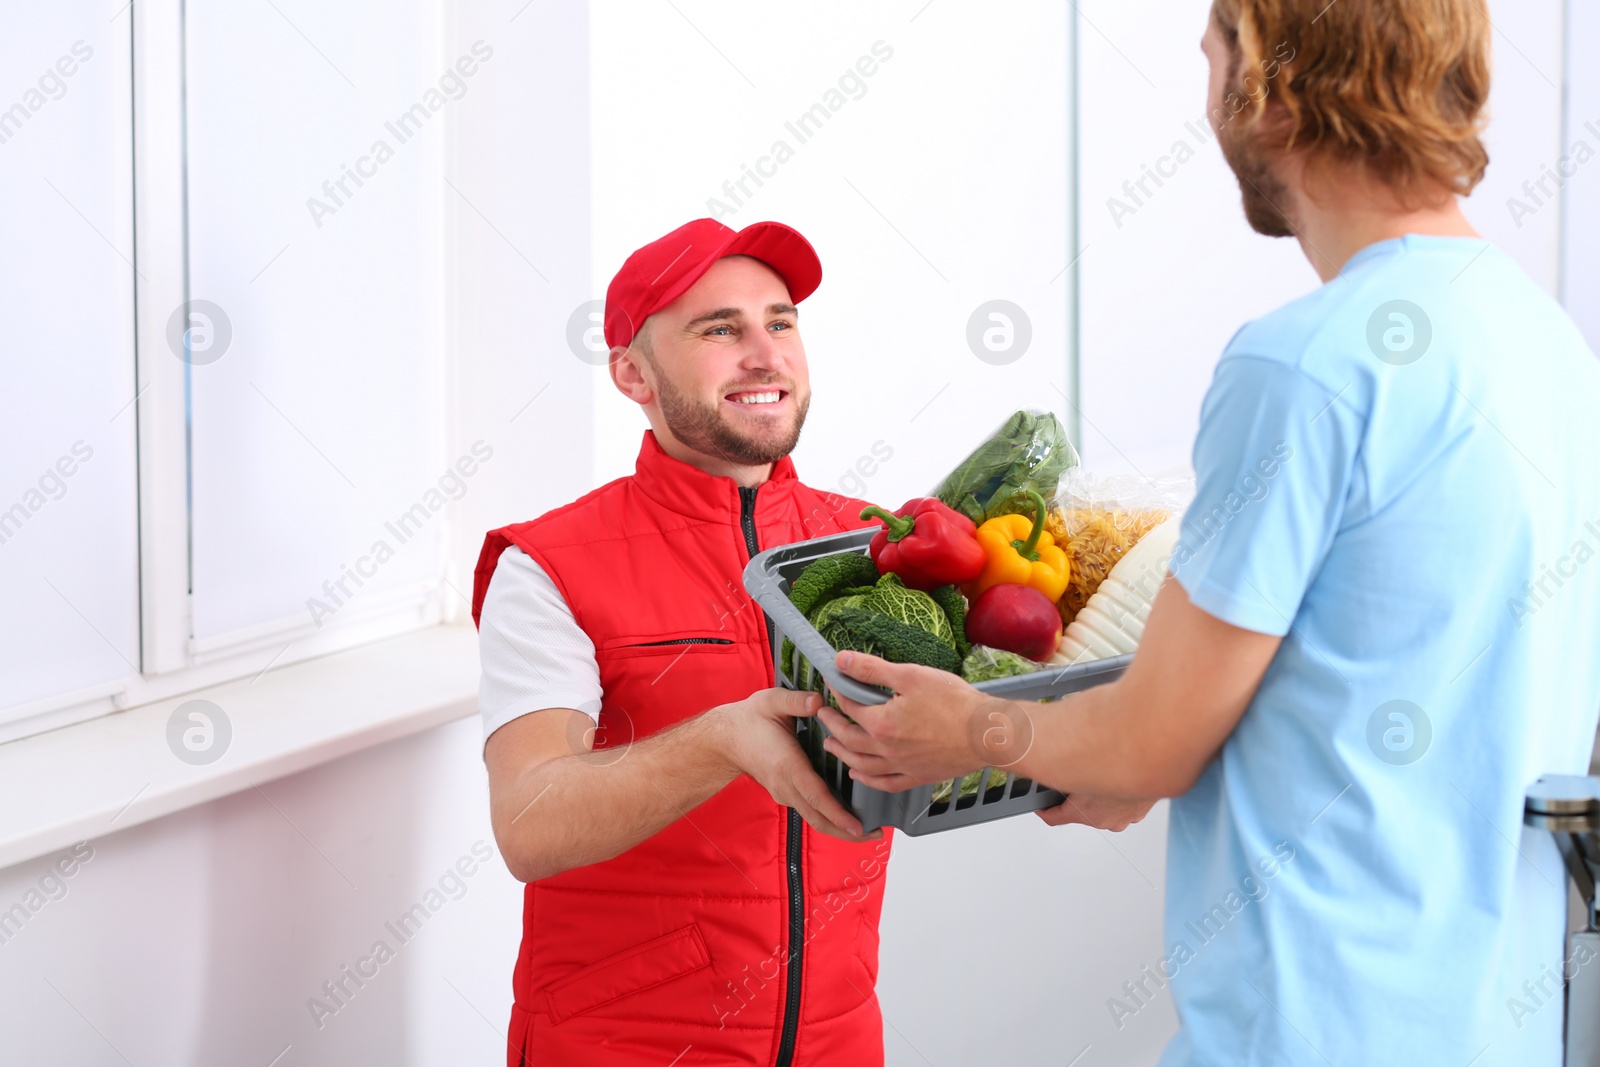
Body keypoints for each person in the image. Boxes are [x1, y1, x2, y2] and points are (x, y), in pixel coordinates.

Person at [820, 1, 1600, 1064]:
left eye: (1212, 58)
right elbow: (1378, 666)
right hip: (1493, 1026)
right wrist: (1124, 758)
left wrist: (968, 730)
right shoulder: (1543, 340)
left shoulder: (1304, 364)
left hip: (1310, 1030)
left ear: (1274, 90)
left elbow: (1154, 734)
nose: (1207, 95)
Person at [470, 218, 896, 1067]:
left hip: (839, 1044)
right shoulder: (551, 566)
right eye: (719, 329)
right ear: (633, 372)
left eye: (780, 322)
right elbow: (530, 821)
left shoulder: (870, 547)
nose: (764, 353)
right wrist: (718, 740)